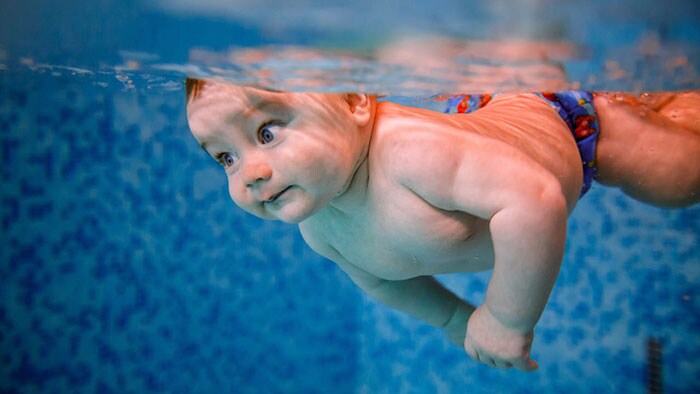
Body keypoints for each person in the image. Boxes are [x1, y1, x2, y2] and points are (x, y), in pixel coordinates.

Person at [184, 77, 700, 371]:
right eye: (224, 157)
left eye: (267, 132)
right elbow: (381, 280)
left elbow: (537, 200)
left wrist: (505, 320)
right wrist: (455, 319)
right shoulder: (320, 225)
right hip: (482, 112)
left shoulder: (412, 152)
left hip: (569, 123)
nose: (250, 173)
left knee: (684, 173)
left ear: (356, 102)